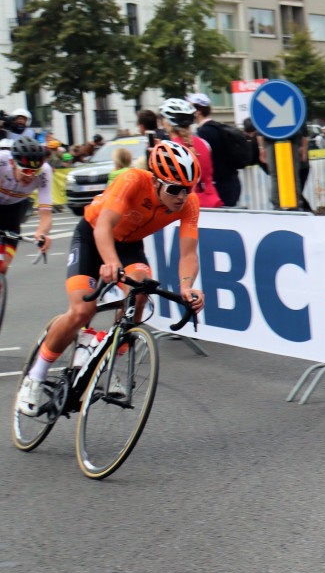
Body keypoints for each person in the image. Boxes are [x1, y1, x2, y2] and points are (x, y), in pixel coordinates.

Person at [17, 140, 205, 416]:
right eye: (175, 189)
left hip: (129, 246)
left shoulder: (189, 204)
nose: (182, 196)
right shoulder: (131, 180)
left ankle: (107, 364)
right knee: (82, 310)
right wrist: (110, 262)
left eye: (188, 189)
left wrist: (188, 287)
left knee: (140, 290)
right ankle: (35, 376)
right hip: (93, 237)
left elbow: (188, 252)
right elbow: (103, 226)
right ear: (155, 181)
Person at [0, 137, 53, 280]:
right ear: (12, 163)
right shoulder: (2, 161)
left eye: (36, 171)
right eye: (27, 171)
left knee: (2, 267)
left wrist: (41, 233)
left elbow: (46, 215)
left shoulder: (45, 172)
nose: (32, 176)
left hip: (14, 209)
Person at [161, 98, 223, 209]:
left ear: (167, 123)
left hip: (185, 204)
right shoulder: (204, 144)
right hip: (211, 201)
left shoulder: (168, 149)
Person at [188, 92, 241, 207]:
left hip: (221, 185)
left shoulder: (205, 132)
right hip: (230, 182)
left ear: (198, 112)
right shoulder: (216, 127)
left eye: (190, 108)